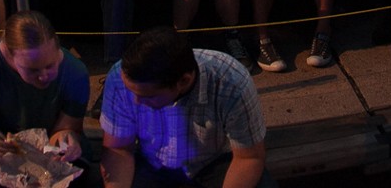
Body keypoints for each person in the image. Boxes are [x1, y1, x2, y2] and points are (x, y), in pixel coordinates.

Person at [99, 27, 271, 188]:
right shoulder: (118, 78)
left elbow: (249, 158)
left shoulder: (231, 82)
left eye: (148, 96)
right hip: (152, 164)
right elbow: (119, 149)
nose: (135, 101)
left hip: (215, 163)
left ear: (184, 81)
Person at [0, 11, 97, 188]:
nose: (44, 76)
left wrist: (66, 140)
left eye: (50, 65)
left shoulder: (74, 72)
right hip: (1, 145)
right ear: (9, 56)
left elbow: (67, 127)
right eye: (32, 70)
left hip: (49, 144)